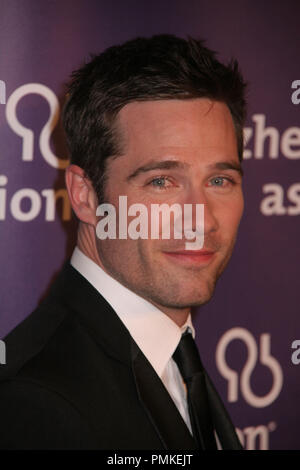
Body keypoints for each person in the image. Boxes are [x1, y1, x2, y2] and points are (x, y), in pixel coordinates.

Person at [0, 34, 246, 450]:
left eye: (219, 180)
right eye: (162, 181)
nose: (201, 219)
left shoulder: (170, 348)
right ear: (85, 195)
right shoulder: (36, 404)